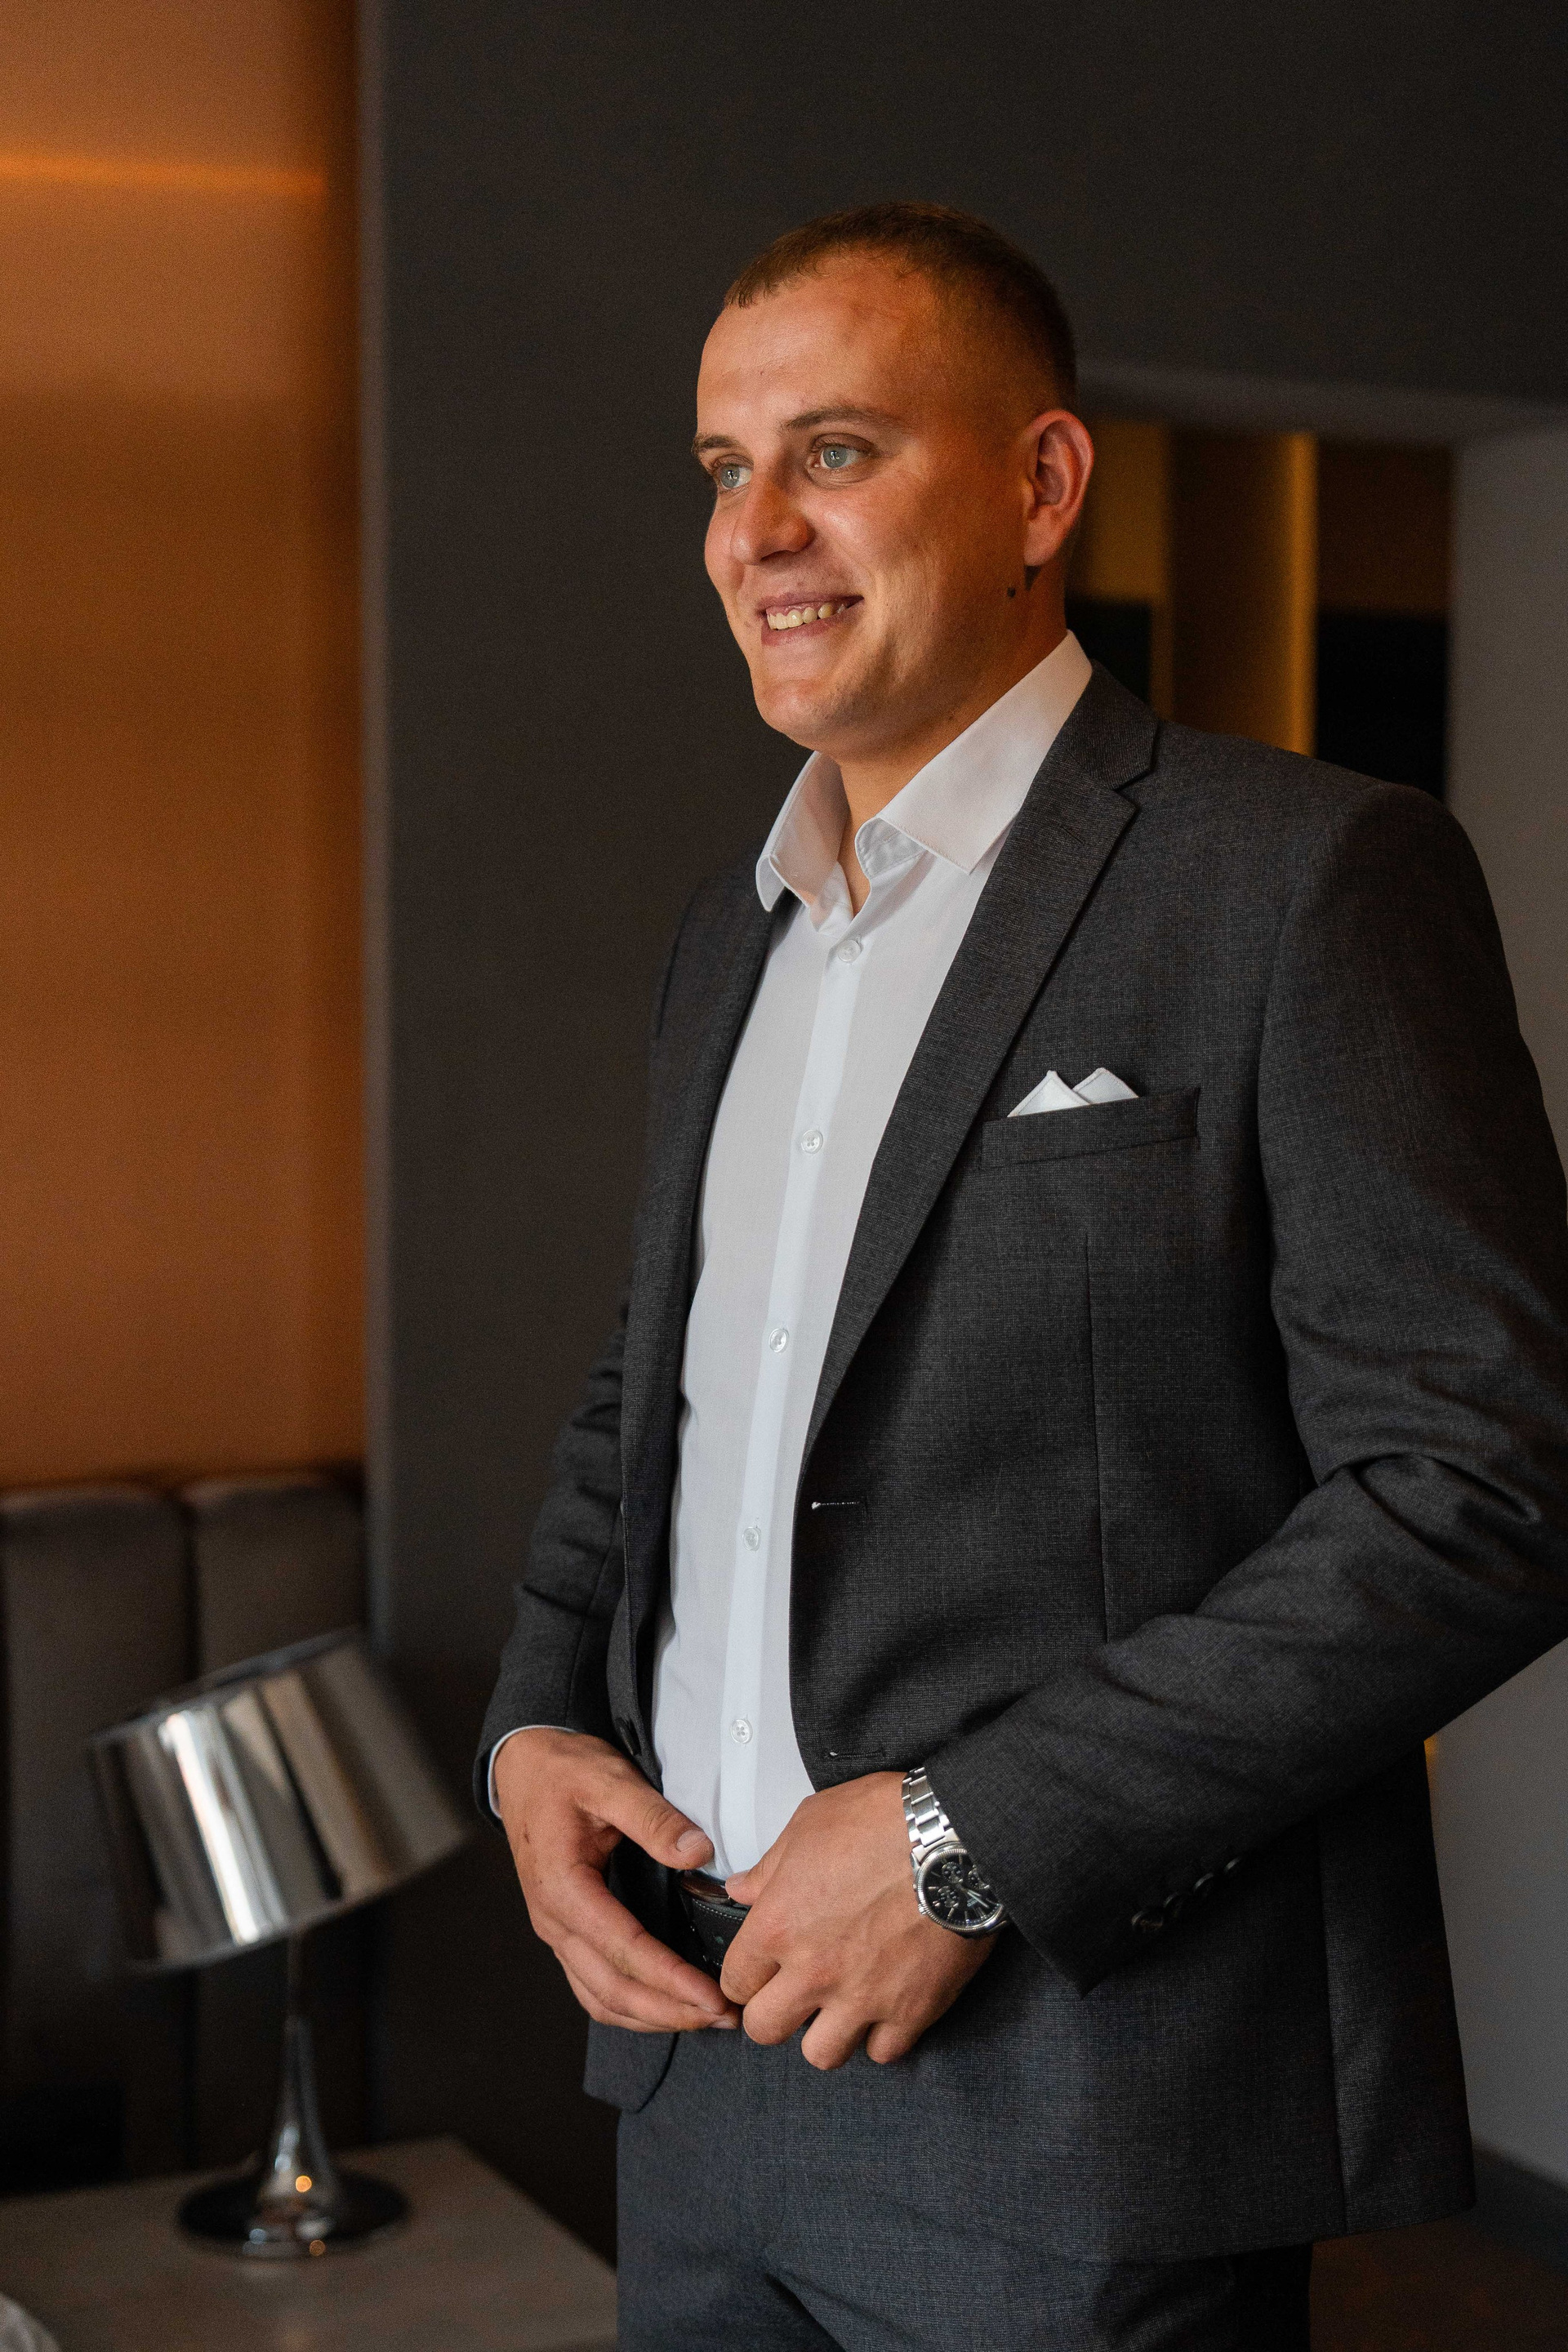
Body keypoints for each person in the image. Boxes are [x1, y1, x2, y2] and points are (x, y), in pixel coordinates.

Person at [477, 203, 1568, 2349]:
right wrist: (534, 1729)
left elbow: (1490, 1487)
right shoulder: (733, 932)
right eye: (723, 468)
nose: (757, 532)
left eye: (837, 451)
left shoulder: (1300, 880)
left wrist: (963, 1841)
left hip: (1082, 2107)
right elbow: (662, 1396)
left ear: (1043, 484)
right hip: (688, 2064)